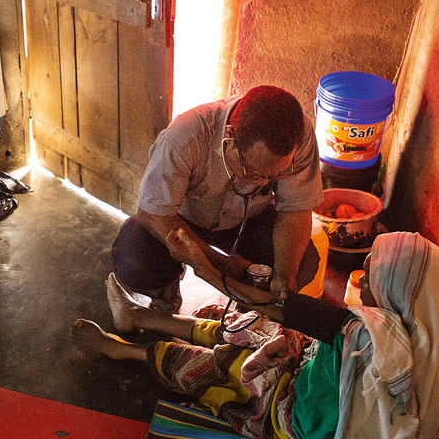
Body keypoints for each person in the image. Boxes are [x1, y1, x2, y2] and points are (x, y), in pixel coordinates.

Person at [72, 229, 439, 439]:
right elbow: (316, 339)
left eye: (372, 275)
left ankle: (122, 350)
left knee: (217, 364)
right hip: (322, 380)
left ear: (399, 293)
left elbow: (280, 306)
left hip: (297, 416)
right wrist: (289, 345)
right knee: (236, 324)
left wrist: (200, 263)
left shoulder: (369, 336)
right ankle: (142, 318)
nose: (362, 281)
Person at [112, 85, 323, 313]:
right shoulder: (184, 138)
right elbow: (154, 213)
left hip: (248, 217)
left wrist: (284, 274)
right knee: (135, 260)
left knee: (304, 262)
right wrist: (223, 265)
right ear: (229, 138)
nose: (263, 183)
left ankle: (251, 306)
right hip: (182, 218)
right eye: (252, 172)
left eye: (273, 175)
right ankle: (166, 288)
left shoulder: (298, 136)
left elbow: (295, 209)